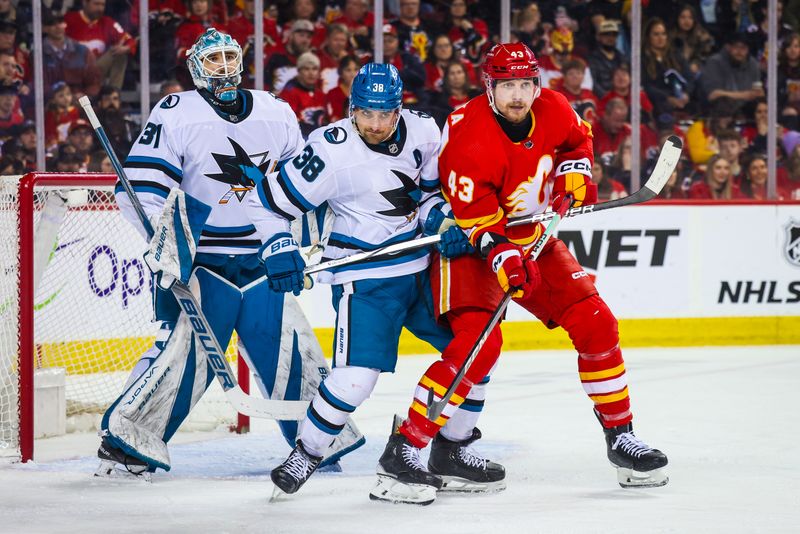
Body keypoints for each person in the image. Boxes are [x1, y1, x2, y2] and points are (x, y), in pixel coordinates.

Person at [380, 43, 669, 502]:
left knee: (597, 322)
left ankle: (621, 439)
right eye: (507, 85)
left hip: (534, 235)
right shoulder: (468, 136)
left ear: (537, 84)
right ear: (489, 87)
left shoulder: (553, 106)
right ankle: (407, 450)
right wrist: (505, 258)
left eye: (525, 84)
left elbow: (577, 142)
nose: (518, 95)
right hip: (472, 247)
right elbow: (478, 221)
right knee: (479, 346)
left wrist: (575, 173)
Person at [95, 29, 363, 479]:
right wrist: (167, 244)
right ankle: (128, 441)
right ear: (195, 66)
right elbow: (141, 188)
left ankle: (321, 438)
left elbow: (301, 183)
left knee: (289, 347)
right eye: (212, 59)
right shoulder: (178, 112)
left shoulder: (275, 111)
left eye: (228, 56)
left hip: (260, 254)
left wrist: (299, 237)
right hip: (202, 258)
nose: (222, 66)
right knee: (183, 353)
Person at [245, 63, 471, 503]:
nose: (373, 124)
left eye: (383, 114)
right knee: (355, 380)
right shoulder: (330, 150)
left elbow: (428, 196)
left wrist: (441, 219)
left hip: (422, 269)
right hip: (364, 279)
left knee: (475, 351)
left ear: (399, 109)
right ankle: (307, 452)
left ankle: (454, 450)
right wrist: (277, 247)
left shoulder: (425, 131)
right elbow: (266, 203)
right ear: (351, 109)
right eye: (364, 113)